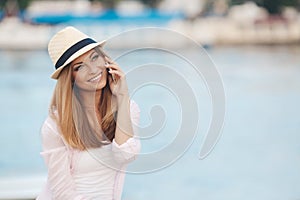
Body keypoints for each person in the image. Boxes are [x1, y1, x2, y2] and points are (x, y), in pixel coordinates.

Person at [36, 26, 141, 200]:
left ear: (105, 59)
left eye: (94, 58)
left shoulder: (128, 108)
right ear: (69, 78)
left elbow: (126, 155)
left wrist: (122, 97)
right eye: (79, 67)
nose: (93, 70)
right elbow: (63, 193)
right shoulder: (55, 125)